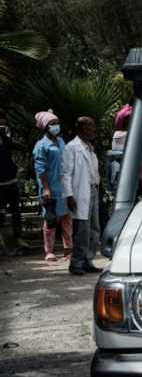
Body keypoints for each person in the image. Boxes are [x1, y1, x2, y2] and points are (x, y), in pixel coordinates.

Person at [62, 116, 101, 275]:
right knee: (82, 230)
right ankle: (76, 262)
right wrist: (69, 195)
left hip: (93, 190)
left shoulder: (88, 147)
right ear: (81, 128)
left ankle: (87, 260)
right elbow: (66, 174)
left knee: (94, 229)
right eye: (90, 126)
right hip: (80, 192)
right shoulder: (72, 147)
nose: (93, 129)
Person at [32, 111, 71, 262]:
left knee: (67, 218)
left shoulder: (61, 142)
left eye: (57, 123)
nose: (56, 126)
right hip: (50, 187)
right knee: (51, 220)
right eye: (52, 124)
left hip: (64, 186)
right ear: (45, 127)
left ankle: (68, 249)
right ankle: (49, 251)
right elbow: (40, 169)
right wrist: (46, 188)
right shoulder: (41, 145)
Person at [0, 109, 24, 253]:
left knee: (16, 211)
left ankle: (18, 238)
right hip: (0, 184)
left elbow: (17, 149)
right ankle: (1, 241)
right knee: (0, 212)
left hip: (12, 180)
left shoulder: (7, 139)